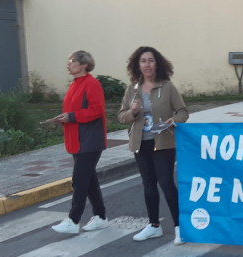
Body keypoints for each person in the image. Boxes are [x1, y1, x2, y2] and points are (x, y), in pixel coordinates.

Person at [118, 46, 189, 244]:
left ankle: (179, 226)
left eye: (150, 60)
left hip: (163, 143)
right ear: (137, 65)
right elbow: (122, 117)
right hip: (141, 143)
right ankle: (153, 225)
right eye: (143, 61)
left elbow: (183, 112)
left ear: (157, 63)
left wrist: (172, 120)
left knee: (166, 183)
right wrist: (132, 112)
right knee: (148, 185)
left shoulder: (167, 87)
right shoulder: (132, 89)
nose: (147, 64)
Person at [48, 50, 109, 235]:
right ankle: (101, 216)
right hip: (77, 139)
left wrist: (72, 117)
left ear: (84, 64)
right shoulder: (75, 84)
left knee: (80, 180)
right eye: (69, 61)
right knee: (89, 181)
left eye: (72, 61)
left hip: (90, 141)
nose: (68, 64)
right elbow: (74, 111)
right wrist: (64, 118)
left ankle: (74, 220)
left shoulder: (92, 84)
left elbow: (96, 110)